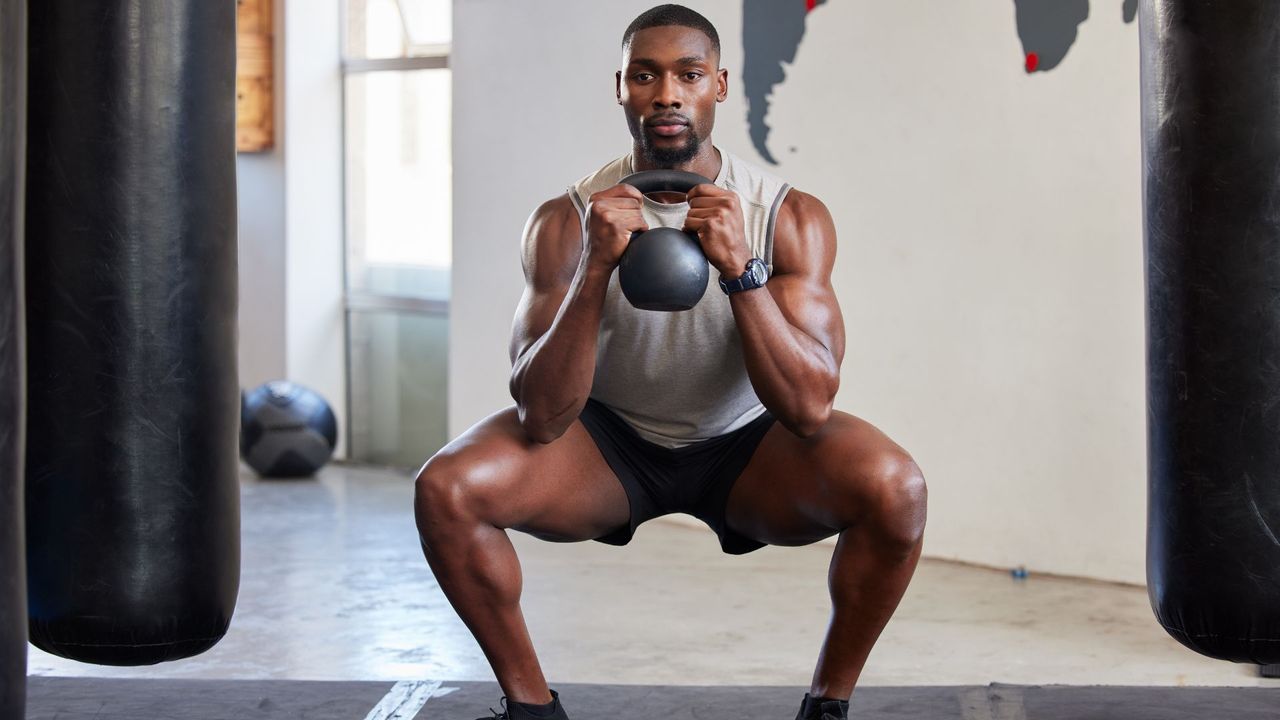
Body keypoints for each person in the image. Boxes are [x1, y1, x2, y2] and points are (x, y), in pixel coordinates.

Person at [414, 5, 927, 719]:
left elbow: (809, 408)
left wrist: (743, 270)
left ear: (718, 85)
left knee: (895, 488)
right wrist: (596, 267)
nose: (667, 94)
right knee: (447, 489)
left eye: (688, 75)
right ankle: (532, 709)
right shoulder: (567, 220)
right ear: (621, 88)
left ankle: (827, 706)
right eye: (646, 76)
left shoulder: (788, 216)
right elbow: (541, 415)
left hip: (748, 447)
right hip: (607, 445)